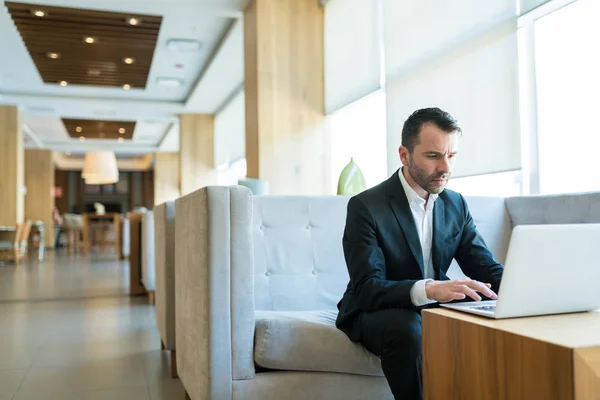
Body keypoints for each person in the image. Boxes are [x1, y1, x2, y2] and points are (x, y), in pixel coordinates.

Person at [335, 107, 504, 400]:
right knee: (407, 328)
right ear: (404, 155)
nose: (446, 168)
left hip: (433, 308)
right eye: (433, 156)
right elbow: (367, 289)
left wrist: (527, 294)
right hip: (374, 311)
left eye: (451, 156)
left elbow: (486, 269)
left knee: (491, 310)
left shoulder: (455, 205)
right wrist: (430, 289)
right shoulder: (366, 207)